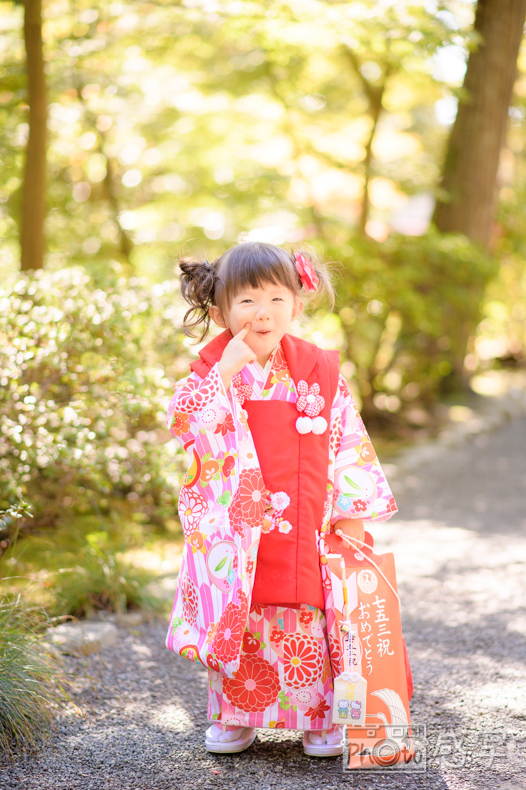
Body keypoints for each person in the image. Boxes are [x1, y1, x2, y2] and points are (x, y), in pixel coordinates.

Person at [165, 242, 398, 757]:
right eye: (246, 301)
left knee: (308, 616)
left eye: (276, 298)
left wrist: (352, 517)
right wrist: (224, 373)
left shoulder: (319, 371)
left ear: (297, 302)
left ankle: (318, 719)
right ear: (219, 310)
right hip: (236, 526)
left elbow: (348, 443)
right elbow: (183, 425)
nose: (263, 312)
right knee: (242, 616)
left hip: (308, 518)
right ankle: (235, 716)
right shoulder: (211, 369)